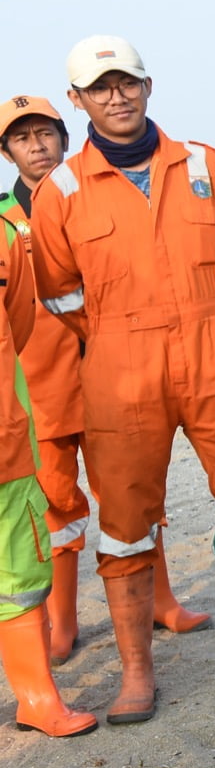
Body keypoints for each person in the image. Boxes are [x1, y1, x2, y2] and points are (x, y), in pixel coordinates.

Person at [28, 38, 215, 725]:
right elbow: (59, 294)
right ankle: (135, 674)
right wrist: (114, 335)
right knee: (123, 523)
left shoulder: (209, 165)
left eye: (127, 82)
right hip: (119, 369)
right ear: (78, 100)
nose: (116, 97)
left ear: (148, 86)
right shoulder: (61, 191)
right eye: (100, 87)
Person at [0, 97, 93, 662]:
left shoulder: (92, 198)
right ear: (6, 152)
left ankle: (161, 602)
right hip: (42, 392)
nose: (37, 147)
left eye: (45, 133)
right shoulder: (4, 223)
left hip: (108, 377)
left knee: (135, 496)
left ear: (64, 136)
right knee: (56, 505)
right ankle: (64, 623)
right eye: (22, 138)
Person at [0, 207, 97, 738]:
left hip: (5, 444)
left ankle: (37, 699)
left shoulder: (5, 239)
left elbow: (16, 326)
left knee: (18, 576)